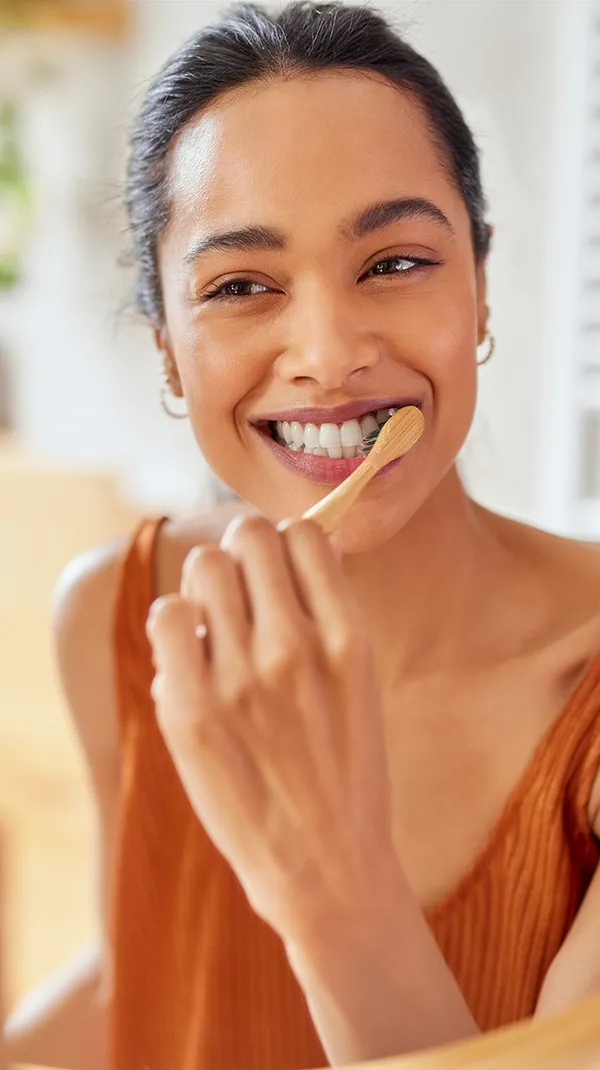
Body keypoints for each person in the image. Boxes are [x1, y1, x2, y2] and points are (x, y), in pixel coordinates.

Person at [6, 2, 600, 1068]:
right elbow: (139, 970)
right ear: (170, 353)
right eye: (241, 286)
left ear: (480, 288)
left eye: (396, 262)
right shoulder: (117, 611)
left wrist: (331, 884)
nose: (327, 354)